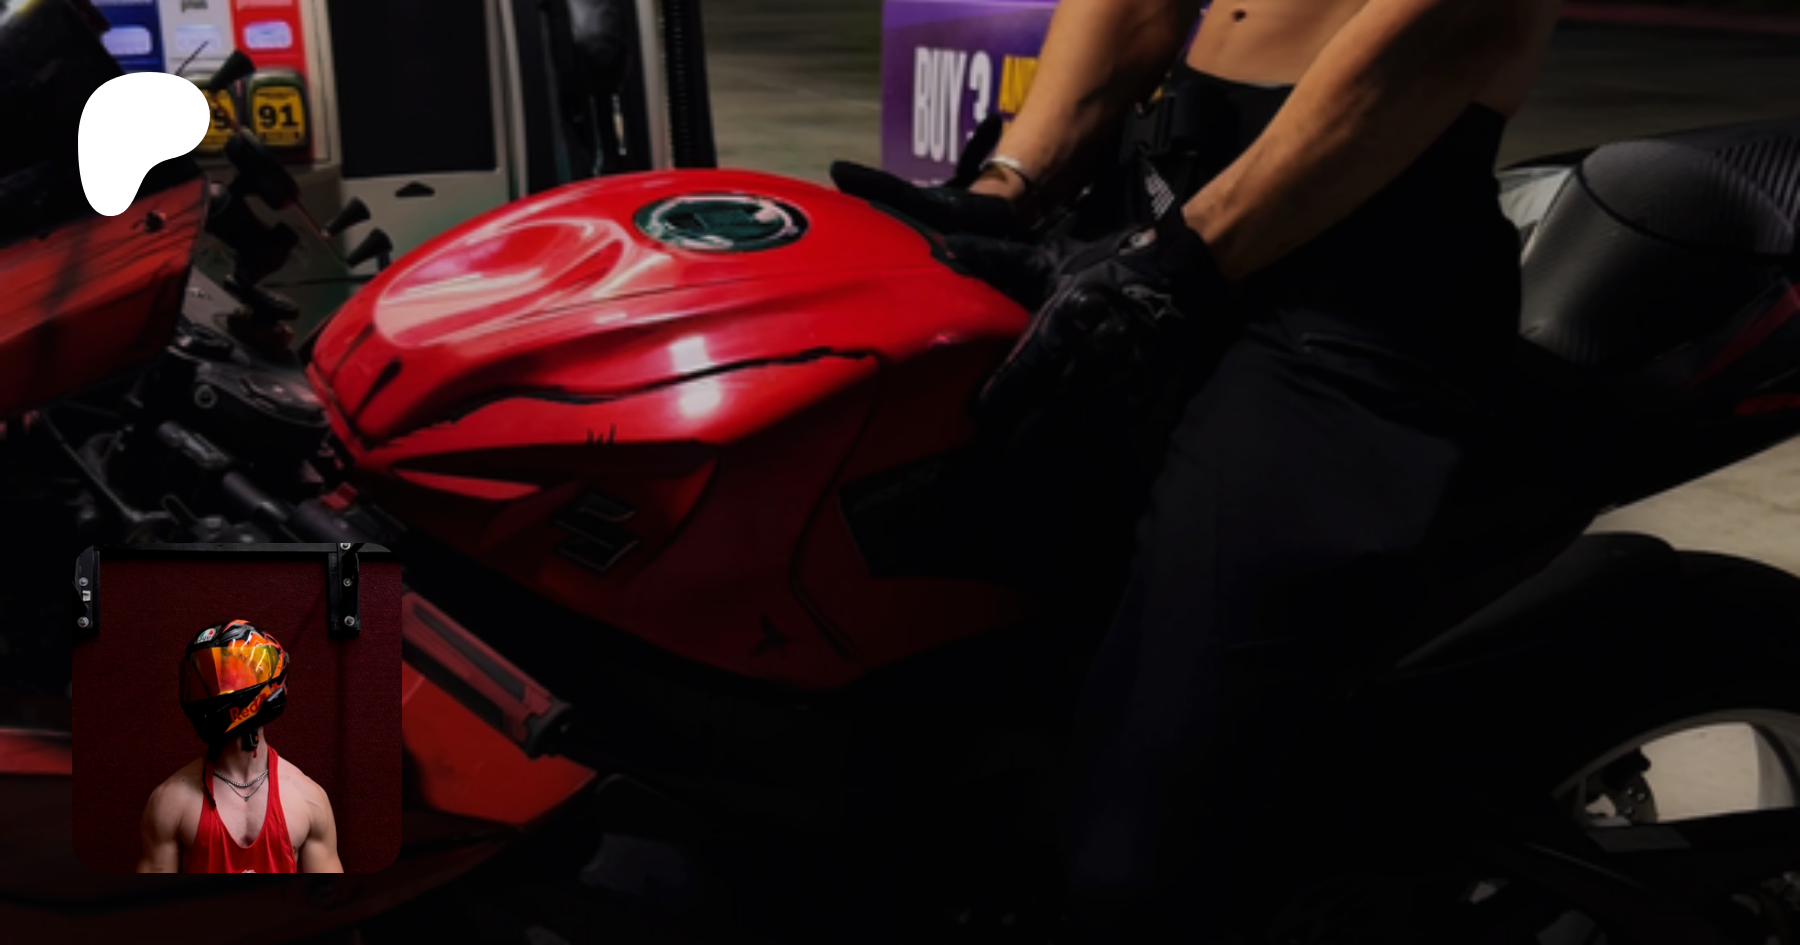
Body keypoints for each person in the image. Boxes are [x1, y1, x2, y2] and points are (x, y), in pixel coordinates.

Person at [836, 0, 1561, 939]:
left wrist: (1183, 259)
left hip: (1355, 281)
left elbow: (1449, 27)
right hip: (1171, 216)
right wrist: (1012, 185)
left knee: (1139, 847)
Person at [137, 620, 343, 874]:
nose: (212, 692)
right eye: (206, 679)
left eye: (229, 677)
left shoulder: (308, 799)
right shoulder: (169, 802)